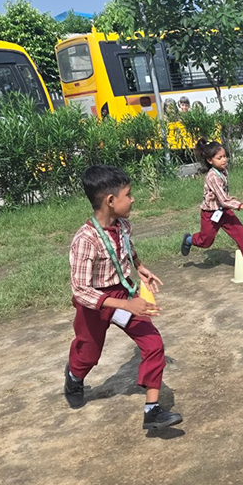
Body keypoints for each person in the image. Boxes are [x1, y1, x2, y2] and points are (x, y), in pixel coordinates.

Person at [64, 165, 183, 430]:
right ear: (110, 201)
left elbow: (128, 249)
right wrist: (126, 304)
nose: (133, 199)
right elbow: (81, 290)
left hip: (121, 291)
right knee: (88, 354)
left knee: (153, 344)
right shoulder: (85, 240)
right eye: (128, 194)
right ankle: (74, 375)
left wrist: (140, 268)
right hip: (93, 303)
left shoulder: (124, 226)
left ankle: (152, 410)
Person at [180, 140, 243, 273]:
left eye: (224, 156)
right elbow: (223, 200)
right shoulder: (212, 176)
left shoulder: (223, 171)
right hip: (210, 213)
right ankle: (189, 240)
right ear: (209, 160)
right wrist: (241, 205)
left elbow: (222, 194)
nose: (224, 160)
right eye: (219, 158)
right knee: (205, 241)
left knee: (240, 232)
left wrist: (228, 198)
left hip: (223, 211)